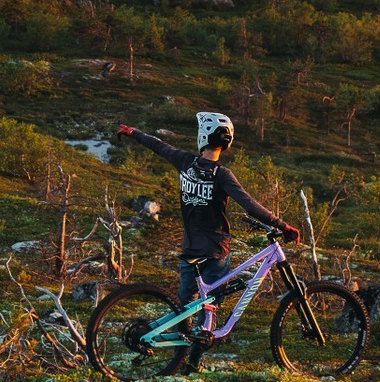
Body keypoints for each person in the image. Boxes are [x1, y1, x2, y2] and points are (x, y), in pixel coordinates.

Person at [116, 111, 300, 312]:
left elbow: (158, 145)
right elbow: (249, 204)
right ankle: (202, 337)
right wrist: (282, 225)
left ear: (203, 136)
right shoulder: (222, 175)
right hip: (215, 251)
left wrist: (132, 132)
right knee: (210, 306)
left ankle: (184, 342)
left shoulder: (184, 161)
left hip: (190, 249)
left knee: (184, 305)